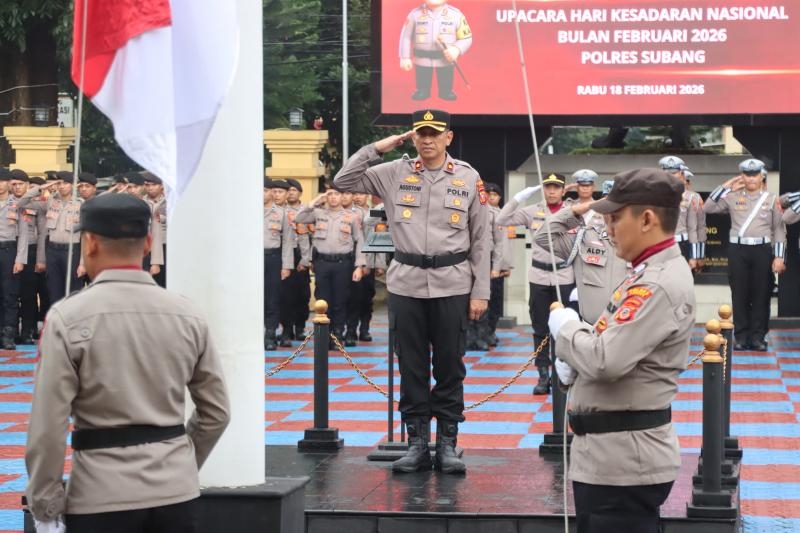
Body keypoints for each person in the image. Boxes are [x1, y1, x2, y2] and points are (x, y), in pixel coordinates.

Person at [25, 193, 230, 533]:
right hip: (176, 493)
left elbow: (48, 426)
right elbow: (217, 413)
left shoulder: (67, 317)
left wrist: (45, 506)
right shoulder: (187, 314)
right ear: (148, 243)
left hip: (100, 493)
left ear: (89, 243)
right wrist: (178, 462)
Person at [334, 109, 489, 474]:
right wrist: (379, 147)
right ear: (413, 137)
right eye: (421, 133)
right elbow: (344, 181)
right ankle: (417, 443)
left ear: (448, 137)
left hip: (453, 282)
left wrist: (480, 291)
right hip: (406, 284)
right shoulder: (393, 173)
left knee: (450, 366)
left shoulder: (468, 177)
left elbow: (482, 239)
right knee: (412, 367)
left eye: (435, 133)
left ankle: (447, 444)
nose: (428, 139)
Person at [548, 167, 695, 533]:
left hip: (624, 464)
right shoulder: (643, 273)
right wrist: (576, 352)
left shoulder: (656, 284)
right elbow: (606, 340)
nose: (607, 227)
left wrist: (566, 330)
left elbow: (603, 360)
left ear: (646, 219)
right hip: (609, 458)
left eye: (614, 218)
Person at [496, 173, 576, 395]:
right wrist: (518, 198)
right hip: (539, 276)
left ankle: (564, 374)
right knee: (540, 328)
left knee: (566, 328)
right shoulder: (533, 211)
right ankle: (543, 375)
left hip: (564, 276)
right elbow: (501, 220)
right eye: (548, 187)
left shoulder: (572, 211)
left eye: (556, 187)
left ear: (563, 190)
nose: (551, 191)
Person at [703, 158, 786, 351]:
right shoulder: (732, 197)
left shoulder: (771, 199)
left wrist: (779, 256)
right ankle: (740, 337)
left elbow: (779, 229)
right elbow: (707, 207)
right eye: (747, 175)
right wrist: (727, 185)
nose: (750, 179)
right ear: (742, 176)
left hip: (762, 250)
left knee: (761, 293)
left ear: (761, 176)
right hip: (738, 250)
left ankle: (758, 337)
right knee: (739, 294)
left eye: (754, 174)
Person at [532, 180, 629, 325]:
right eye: (608, 207)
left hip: (627, 331)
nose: (613, 213)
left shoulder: (642, 244)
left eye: (620, 207)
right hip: (591, 330)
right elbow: (542, 237)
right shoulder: (584, 238)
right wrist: (577, 210)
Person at [295, 187, 366, 347]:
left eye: (337, 194)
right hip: (322, 264)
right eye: (330, 194)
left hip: (343, 264)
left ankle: (337, 334)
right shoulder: (318, 213)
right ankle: (323, 336)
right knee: (322, 299)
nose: (333, 198)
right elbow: (299, 218)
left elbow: (360, 241)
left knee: (340, 301)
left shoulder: (352, 216)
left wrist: (359, 266)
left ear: (342, 197)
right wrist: (315, 201)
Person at [16, 171, 83, 303]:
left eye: (66, 183)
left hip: (72, 250)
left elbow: (86, 236)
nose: (62, 186)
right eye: (59, 183)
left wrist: (83, 263)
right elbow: (21, 203)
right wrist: (41, 188)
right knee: (54, 288)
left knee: (73, 289)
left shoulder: (82, 204)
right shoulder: (50, 201)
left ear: (74, 185)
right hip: (53, 251)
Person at [399, 0, 472, 101]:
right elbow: (405, 37)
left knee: (445, 75)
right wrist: (404, 57)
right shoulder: (414, 15)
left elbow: (466, 38)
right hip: (422, 58)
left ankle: (445, 91)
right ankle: (422, 90)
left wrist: (456, 49)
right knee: (422, 75)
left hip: (445, 59)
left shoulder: (456, 15)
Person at [466, 181, 508, 350]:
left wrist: (497, 267)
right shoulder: (466, 210)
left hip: (486, 260)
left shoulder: (494, 214)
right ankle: (469, 337)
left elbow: (499, 243)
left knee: (485, 300)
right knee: (466, 301)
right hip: (466, 260)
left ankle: (483, 336)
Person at [9, 170, 45, 345]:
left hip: (31, 250)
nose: (16, 187)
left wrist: (40, 259)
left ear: (28, 185)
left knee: (28, 294)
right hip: (9, 249)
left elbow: (42, 233)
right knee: (9, 293)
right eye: (14, 184)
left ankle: (28, 332)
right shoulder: (5, 203)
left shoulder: (36, 204)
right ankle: (12, 330)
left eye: (20, 184)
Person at [345, 192, 385, 343]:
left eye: (360, 194)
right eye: (354, 193)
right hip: (350, 262)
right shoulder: (347, 213)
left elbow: (380, 238)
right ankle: (350, 331)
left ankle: (364, 329)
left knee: (367, 299)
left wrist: (379, 264)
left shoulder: (375, 213)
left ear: (367, 195)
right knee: (351, 298)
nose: (356, 197)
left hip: (369, 261)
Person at [658, 156, 706, 271]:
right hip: (660, 245)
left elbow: (694, 228)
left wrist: (695, 256)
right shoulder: (654, 194)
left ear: (681, 173)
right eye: (667, 173)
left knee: (683, 283)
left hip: (681, 245)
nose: (670, 176)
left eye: (674, 173)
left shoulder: (690, 197)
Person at [263, 179, 294, 350]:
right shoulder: (248, 211)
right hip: (252, 260)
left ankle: (270, 334)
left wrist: (286, 266)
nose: (263, 194)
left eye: (266, 190)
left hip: (273, 258)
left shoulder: (281, 214)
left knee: (272, 298)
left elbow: (288, 242)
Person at [280, 178, 312, 341]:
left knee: (302, 295)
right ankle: (286, 328)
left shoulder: (307, 211)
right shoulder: (280, 210)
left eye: (294, 190)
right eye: (289, 190)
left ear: (300, 193)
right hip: (285, 253)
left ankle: (300, 328)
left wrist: (306, 260)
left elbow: (312, 236)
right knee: (285, 295)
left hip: (301, 253)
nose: (291, 192)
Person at [0, 169, 27, 349]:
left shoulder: (17, 204)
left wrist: (20, 259)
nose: (0, 185)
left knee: (9, 294)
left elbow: (24, 234)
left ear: (9, 183)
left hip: (9, 250)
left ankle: (8, 334)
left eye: (3, 181)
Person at [142, 173, 167, 287]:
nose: (150, 188)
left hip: (165, 246)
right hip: (146, 247)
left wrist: (163, 219)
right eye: (147, 185)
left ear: (162, 186)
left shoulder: (170, 202)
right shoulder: (141, 203)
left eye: (154, 185)